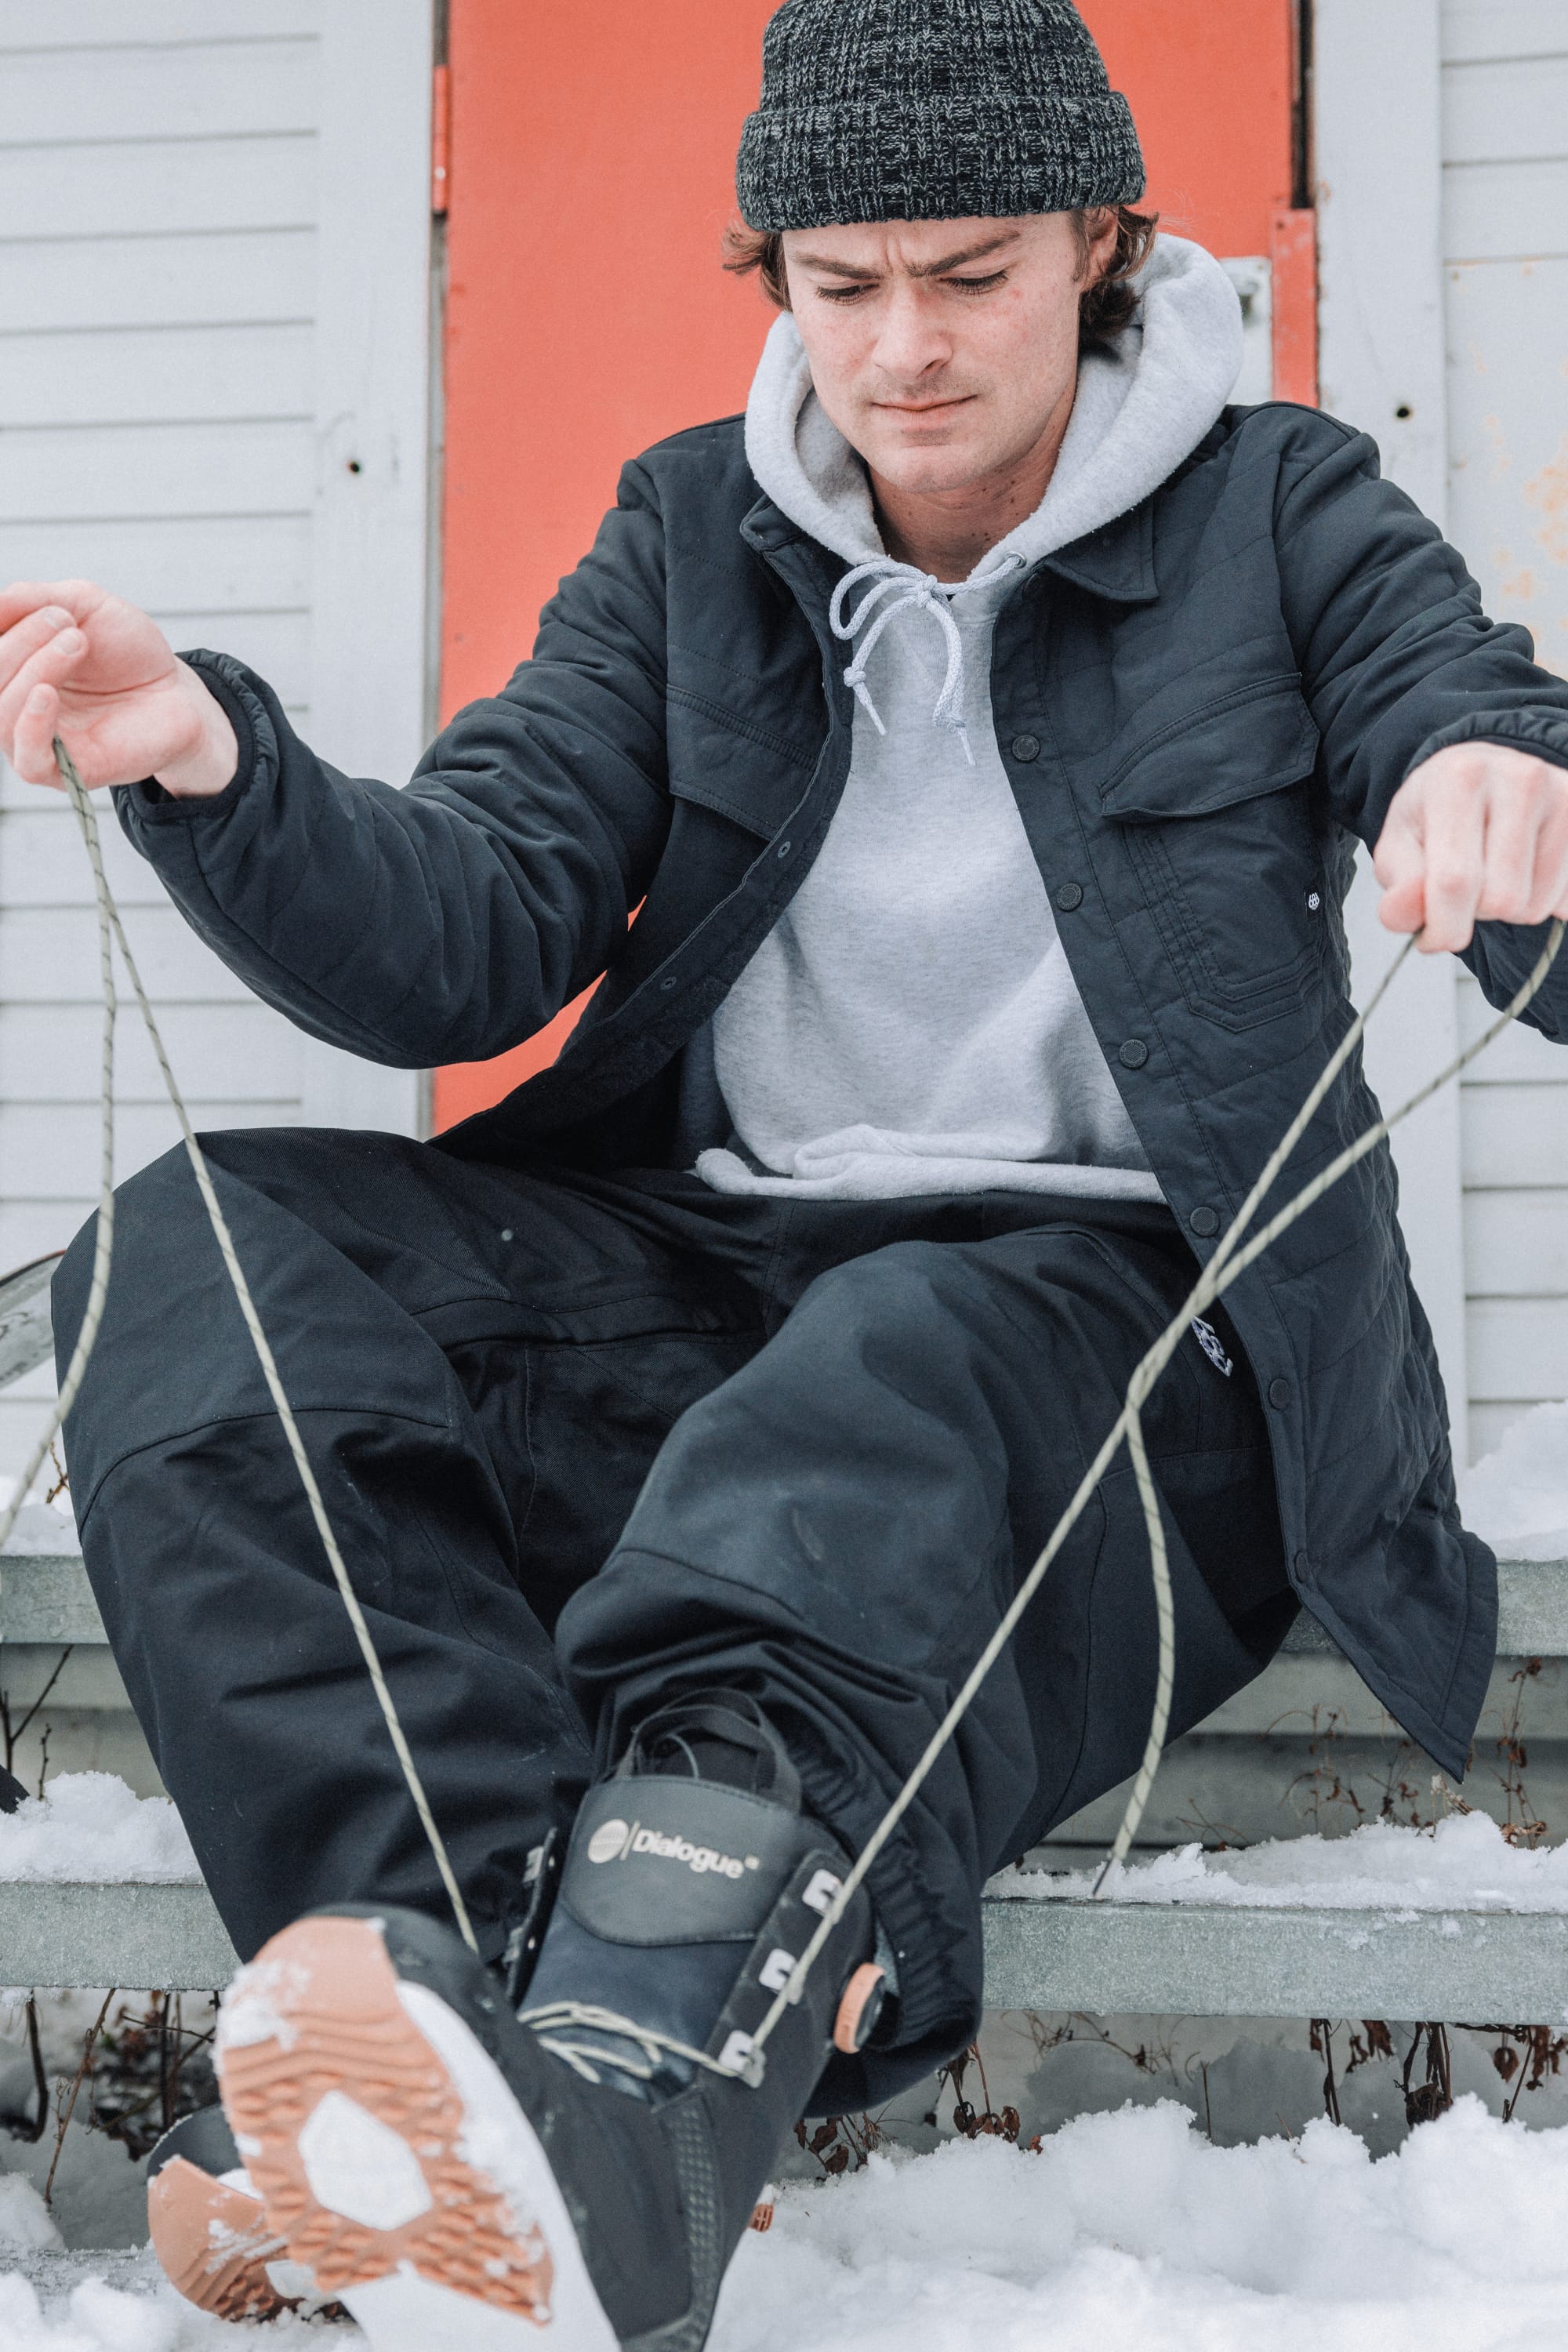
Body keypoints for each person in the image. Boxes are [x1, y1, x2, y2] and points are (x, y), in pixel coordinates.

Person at [4, 0, 1568, 2342]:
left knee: (908, 1347)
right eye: (843, 284)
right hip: (709, 1285)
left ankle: (612, 2110)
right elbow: (485, 909)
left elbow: (1472, 699)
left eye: (970, 272)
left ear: (1101, 240)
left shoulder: (1283, 504)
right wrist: (215, 754)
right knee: (187, 1254)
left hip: (1118, 1357)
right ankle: (464, 2066)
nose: (905, 348)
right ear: (775, 275)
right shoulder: (688, 532)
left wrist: (1497, 793)